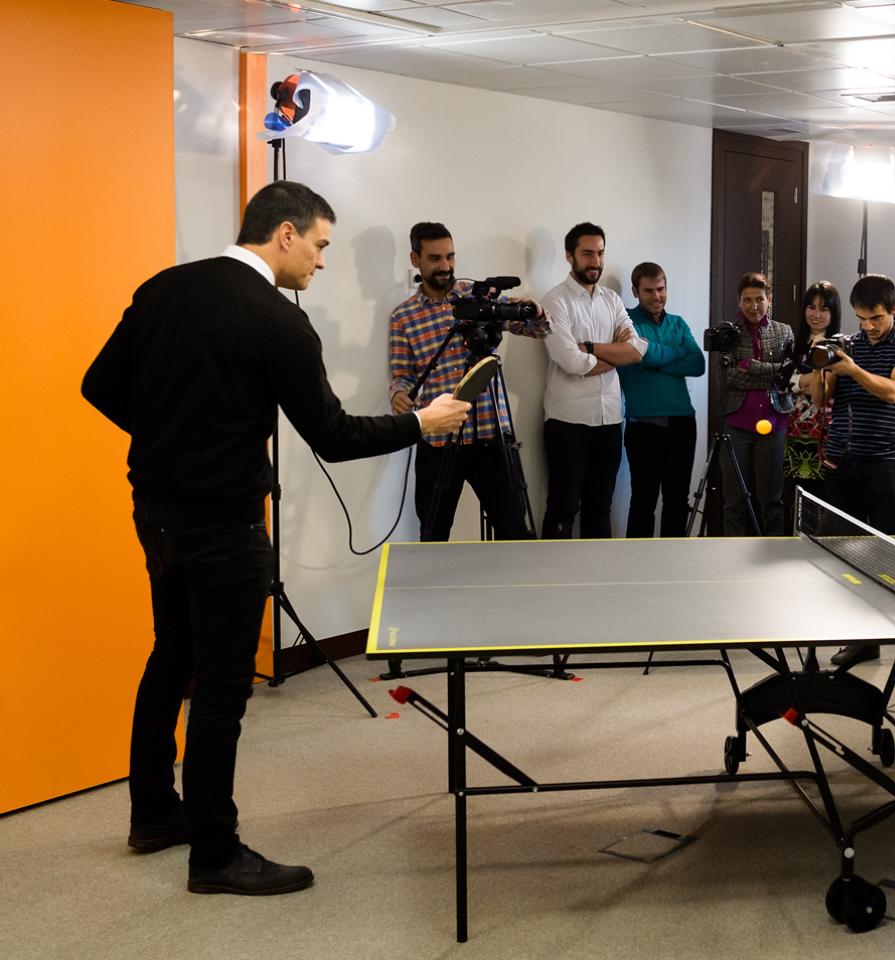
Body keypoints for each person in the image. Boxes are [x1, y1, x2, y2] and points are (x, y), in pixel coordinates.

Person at [81, 181, 471, 894]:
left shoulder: (163, 288)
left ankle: (154, 815)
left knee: (172, 656)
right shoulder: (278, 320)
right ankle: (215, 855)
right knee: (223, 687)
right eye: (320, 245)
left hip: (157, 511)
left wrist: (173, 440)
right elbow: (334, 435)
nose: (322, 261)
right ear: (285, 234)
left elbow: (98, 386)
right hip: (225, 524)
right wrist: (423, 422)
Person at [388, 221, 550, 541]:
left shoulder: (476, 300)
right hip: (437, 437)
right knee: (433, 535)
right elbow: (401, 376)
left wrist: (533, 310)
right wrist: (398, 395)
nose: (446, 266)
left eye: (450, 257)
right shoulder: (403, 316)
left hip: (491, 433)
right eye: (435, 258)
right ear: (415, 259)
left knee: (515, 531)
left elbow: (539, 330)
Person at [816, 274, 895, 672]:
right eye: (862, 318)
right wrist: (824, 367)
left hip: (882, 461)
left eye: (876, 318)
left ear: (894, 310)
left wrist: (851, 369)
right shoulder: (847, 345)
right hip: (841, 461)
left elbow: (893, 392)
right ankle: (863, 639)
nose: (868, 326)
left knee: (894, 554)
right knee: (849, 556)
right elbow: (820, 399)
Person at [540, 222, 647, 538]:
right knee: (563, 508)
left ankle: (596, 582)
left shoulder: (612, 300)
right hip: (567, 422)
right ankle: (553, 582)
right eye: (588, 253)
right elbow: (571, 362)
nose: (596, 261)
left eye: (600, 253)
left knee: (600, 508)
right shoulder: (555, 301)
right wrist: (614, 357)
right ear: (569, 256)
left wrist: (591, 348)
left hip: (611, 420)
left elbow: (637, 350)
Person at [618, 262, 706, 538]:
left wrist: (651, 358)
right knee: (643, 502)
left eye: (661, 289)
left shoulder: (677, 323)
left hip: (682, 423)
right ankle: (637, 572)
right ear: (635, 291)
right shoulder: (626, 322)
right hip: (642, 425)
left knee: (677, 501)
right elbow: (635, 355)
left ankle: (674, 569)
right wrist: (673, 353)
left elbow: (697, 364)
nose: (657, 296)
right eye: (649, 291)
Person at [718, 272, 794, 535]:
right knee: (734, 499)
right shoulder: (728, 333)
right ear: (739, 302)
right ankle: (731, 556)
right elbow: (729, 376)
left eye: (759, 299)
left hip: (775, 423)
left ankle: (773, 554)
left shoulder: (784, 332)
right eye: (747, 300)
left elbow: (788, 375)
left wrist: (750, 365)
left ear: (769, 300)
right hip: (736, 425)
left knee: (772, 500)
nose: (754, 306)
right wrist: (771, 373)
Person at [785, 281, 841, 515]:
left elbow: (820, 393)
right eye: (811, 307)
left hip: (824, 434)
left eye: (824, 309)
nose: (816, 315)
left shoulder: (837, 345)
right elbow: (780, 382)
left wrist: (798, 381)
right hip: (791, 432)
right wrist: (803, 380)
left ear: (833, 313)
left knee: (823, 503)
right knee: (793, 502)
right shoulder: (792, 343)